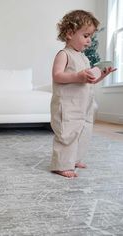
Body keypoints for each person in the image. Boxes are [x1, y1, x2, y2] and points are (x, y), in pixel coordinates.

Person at [50, 10, 116, 178]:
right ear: (70, 33)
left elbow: (89, 80)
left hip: (84, 104)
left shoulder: (84, 58)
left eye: (90, 37)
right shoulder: (64, 54)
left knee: (84, 131)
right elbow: (57, 75)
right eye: (86, 36)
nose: (89, 41)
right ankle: (62, 164)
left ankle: (74, 158)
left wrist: (102, 75)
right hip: (68, 105)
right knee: (68, 133)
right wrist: (77, 76)